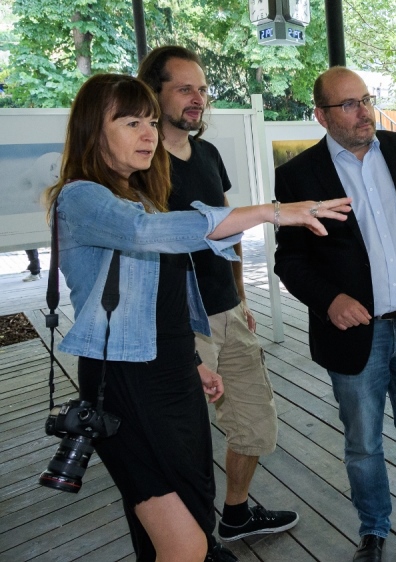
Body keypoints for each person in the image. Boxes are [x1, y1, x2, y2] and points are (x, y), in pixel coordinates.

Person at [45, 73, 350, 562]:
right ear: (91, 132)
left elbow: (160, 302)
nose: (148, 134)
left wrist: (191, 361)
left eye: (149, 121)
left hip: (169, 373)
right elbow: (149, 235)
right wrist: (273, 212)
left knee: (184, 524)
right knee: (185, 543)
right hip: (126, 381)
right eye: (130, 122)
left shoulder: (137, 196)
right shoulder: (81, 197)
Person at [273, 67, 396, 562]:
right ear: (321, 115)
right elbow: (290, 260)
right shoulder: (299, 176)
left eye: (366, 99)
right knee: (363, 444)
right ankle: (374, 530)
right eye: (349, 104)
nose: (364, 112)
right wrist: (329, 300)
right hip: (355, 333)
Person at [138, 45, 299, 545]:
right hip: (176, 323)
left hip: (227, 311)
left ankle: (234, 514)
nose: (198, 99)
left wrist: (242, 299)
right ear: (153, 91)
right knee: (181, 439)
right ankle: (190, 543)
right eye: (185, 88)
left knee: (254, 421)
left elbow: (228, 233)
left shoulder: (207, 153)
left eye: (202, 89)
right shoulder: (140, 162)